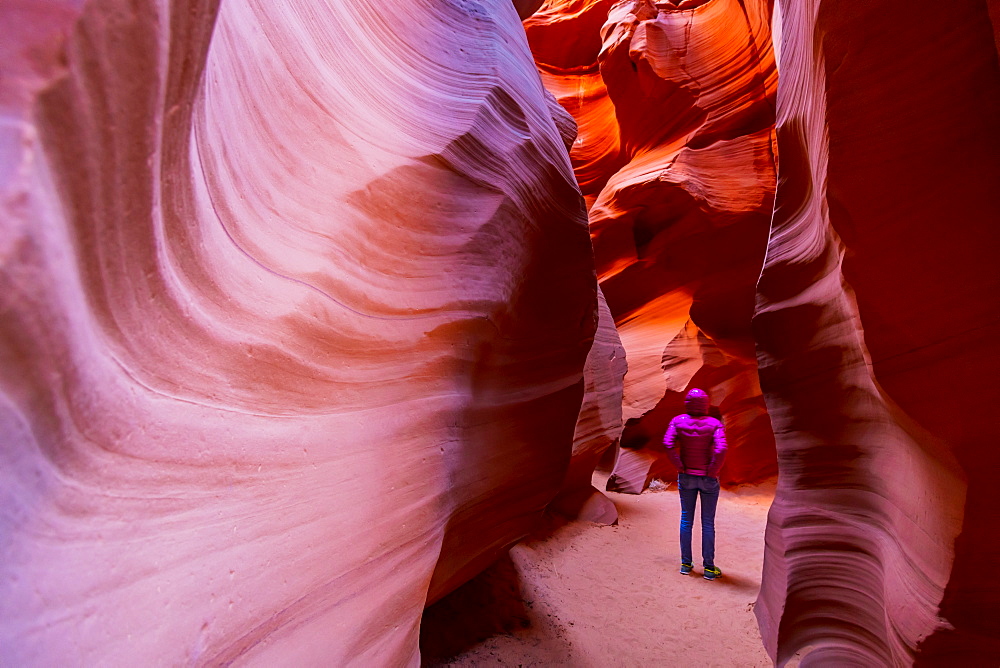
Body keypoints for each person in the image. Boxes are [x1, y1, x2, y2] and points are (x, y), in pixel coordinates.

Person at [663, 387, 727, 580]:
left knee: (686, 520)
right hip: (708, 478)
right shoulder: (714, 424)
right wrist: (713, 470)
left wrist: (679, 465)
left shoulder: (678, 421)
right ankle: (709, 568)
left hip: (687, 476)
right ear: (706, 404)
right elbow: (721, 449)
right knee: (707, 523)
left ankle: (685, 564)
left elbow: (668, 444)